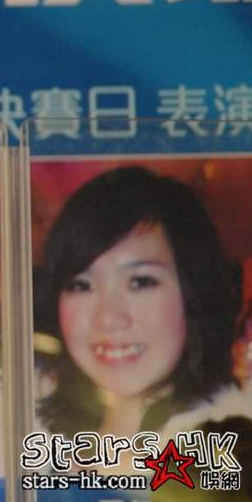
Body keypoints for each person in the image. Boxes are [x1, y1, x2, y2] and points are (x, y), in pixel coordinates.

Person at [34, 166, 247, 442]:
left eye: (140, 282)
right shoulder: (24, 431)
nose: (108, 317)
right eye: (81, 285)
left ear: (193, 291)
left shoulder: (231, 443)